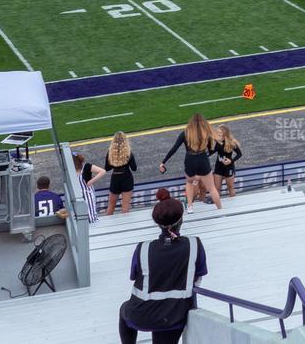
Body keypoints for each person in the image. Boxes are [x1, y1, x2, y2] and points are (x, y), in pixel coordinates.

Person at [118, 196, 208, 344]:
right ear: (181, 220)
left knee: (124, 309)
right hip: (175, 314)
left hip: (141, 312)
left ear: (157, 223)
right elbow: (198, 277)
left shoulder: (143, 247)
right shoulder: (194, 244)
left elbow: (134, 276)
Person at [159, 113, 221, 211]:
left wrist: (163, 162)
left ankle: (190, 207)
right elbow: (211, 149)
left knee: (189, 182)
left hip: (190, 160)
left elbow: (174, 149)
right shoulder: (206, 133)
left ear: (190, 123)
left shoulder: (185, 133)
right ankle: (220, 208)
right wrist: (205, 155)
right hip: (203, 158)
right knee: (212, 188)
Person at [104, 132, 139, 216]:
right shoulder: (128, 153)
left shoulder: (110, 153)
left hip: (115, 179)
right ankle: (125, 227)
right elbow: (134, 168)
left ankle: (107, 227)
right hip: (127, 179)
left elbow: (107, 168)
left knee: (111, 207)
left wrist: (115, 162)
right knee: (125, 208)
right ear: (125, 141)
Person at [74, 151, 104, 223]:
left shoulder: (86, 166)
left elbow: (102, 171)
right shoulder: (71, 171)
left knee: (90, 216)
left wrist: (91, 181)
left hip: (88, 195)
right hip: (77, 196)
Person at [212, 126, 242, 200]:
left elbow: (239, 154)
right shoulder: (217, 142)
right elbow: (211, 152)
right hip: (218, 168)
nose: (218, 134)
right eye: (217, 132)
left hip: (228, 168)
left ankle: (233, 205)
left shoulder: (231, 142)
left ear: (225, 134)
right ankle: (217, 207)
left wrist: (231, 161)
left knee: (230, 188)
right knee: (216, 189)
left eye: (220, 133)